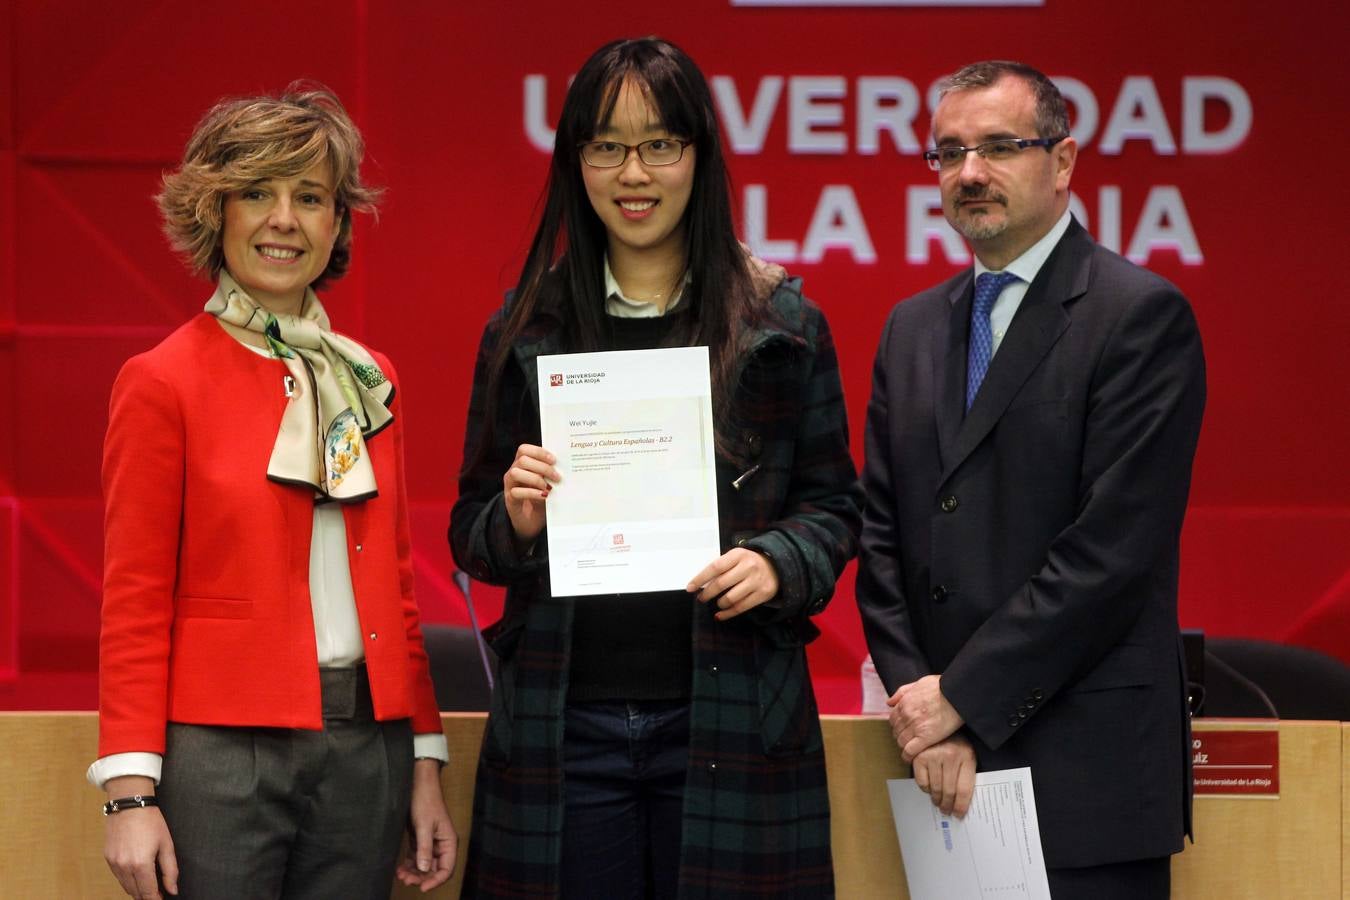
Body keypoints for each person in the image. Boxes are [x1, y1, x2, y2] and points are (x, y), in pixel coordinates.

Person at [450, 37, 861, 900]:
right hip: (567, 729)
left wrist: (779, 561)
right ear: (577, 162)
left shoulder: (781, 328)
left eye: (659, 144)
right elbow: (471, 530)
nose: (633, 173)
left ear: (699, 157)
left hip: (734, 720)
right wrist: (516, 519)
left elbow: (835, 507)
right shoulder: (528, 332)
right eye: (606, 145)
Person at [89, 84, 456, 900]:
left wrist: (423, 757)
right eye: (256, 192)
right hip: (220, 751)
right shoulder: (159, 381)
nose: (283, 219)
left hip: (368, 747)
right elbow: (134, 598)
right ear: (214, 212)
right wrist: (130, 791)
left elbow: (395, 585)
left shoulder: (372, 378)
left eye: (310, 197)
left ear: (338, 223)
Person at [857, 60, 1205, 898]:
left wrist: (962, 700)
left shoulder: (1138, 316)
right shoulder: (910, 328)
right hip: (938, 773)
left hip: (1085, 778)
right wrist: (920, 712)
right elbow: (880, 536)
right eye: (947, 153)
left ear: (1064, 161)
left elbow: (1109, 556)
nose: (968, 173)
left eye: (999, 147)